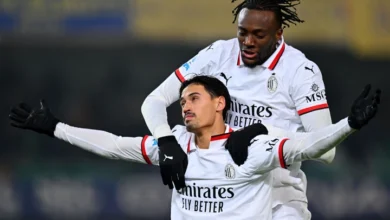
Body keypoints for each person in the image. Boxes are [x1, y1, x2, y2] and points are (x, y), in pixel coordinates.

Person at [9, 75, 380, 220]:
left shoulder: (249, 147)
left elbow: (308, 147)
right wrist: (55, 127)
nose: (185, 105)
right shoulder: (176, 145)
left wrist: (349, 124)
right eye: (182, 99)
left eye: (195, 98)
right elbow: (114, 146)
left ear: (220, 104)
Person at [141, 0, 336, 218]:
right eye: (242, 33)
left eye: (259, 35)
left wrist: (261, 131)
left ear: (278, 33)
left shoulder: (300, 71)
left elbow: (326, 150)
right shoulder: (218, 55)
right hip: (225, 196)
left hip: (279, 200)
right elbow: (154, 100)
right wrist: (165, 140)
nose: (248, 42)